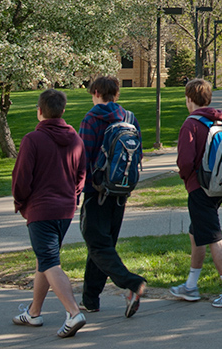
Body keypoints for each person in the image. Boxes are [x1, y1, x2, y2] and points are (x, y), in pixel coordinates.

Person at [11, 89, 87, 338]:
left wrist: (20, 202)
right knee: (44, 259)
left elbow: (22, 178)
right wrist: (73, 198)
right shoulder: (75, 138)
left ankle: (73, 313)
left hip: (41, 209)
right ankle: (34, 313)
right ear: (63, 110)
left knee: (50, 261)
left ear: (39, 110)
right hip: (65, 209)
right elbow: (81, 174)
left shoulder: (32, 139)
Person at [169, 78, 222, 308]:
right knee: (196, 232)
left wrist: (184, 177)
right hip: (218, 184)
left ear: (189, 99)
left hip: (199, 186)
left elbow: (185, 161)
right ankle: (191, 285)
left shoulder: (190, 124)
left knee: (213, 237)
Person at [79, 75, 147, 317]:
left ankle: (132, 283)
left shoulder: (92, 118)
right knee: (103, 244)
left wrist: (78, 187)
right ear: (116, 94)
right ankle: (90, 299)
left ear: (96, 92)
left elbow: (83, 157)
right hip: (120, 191)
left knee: (97, 244)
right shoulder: (130, 117)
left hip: (95, 191)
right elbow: (138, 154)